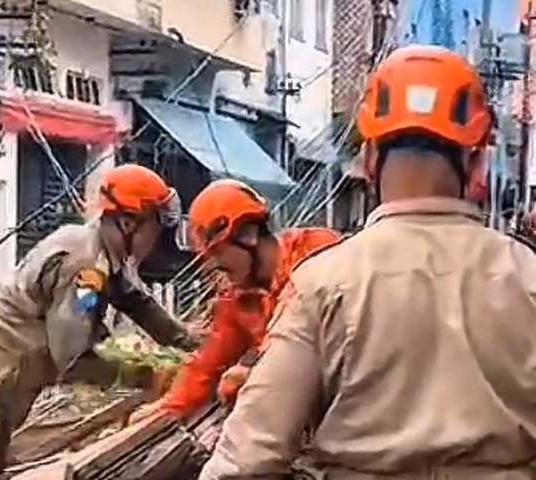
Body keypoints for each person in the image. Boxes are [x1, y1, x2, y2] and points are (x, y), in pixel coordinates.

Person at [199, 45, 536, 480]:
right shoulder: (526, 276)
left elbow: (244, 461)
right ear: (476, 162)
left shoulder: (322, 283)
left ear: (371, 159)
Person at [0, 163, 199, 480]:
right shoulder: (83, 266)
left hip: (0, 384)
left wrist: (190, 342)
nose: (157, 238)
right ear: (128, 223)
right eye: (155, 226)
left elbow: (139, 304)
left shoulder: (100, 252)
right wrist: (147, 375)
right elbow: (72, 361)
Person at [130, 179, 341, 423]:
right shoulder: (236, 300)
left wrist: (256, 376)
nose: (214, 265)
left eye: (217, 252)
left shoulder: (320, 252)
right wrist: (165, 410)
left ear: (247, 235)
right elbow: (206, 368)